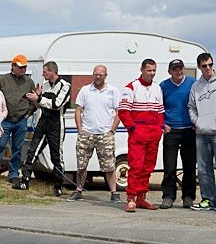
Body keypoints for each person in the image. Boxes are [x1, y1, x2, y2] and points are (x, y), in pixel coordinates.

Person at [66, 65, 122, 202]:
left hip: (105, 134)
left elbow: (119, 112)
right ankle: (79, 190)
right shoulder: (85, 90)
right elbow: (78, 109)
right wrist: (80, 129)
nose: (98, 77)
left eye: (101, 74)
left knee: (109, 166)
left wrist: (112, 130)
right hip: (87, 133)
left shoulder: (113, 91)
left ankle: (114, 193)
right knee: (81, 165)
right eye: (95, 74)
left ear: (106, 75)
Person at [16, 61, 71, 195]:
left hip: (56, 125)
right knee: (32, 151)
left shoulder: (65, 86)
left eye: (45, 71)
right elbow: (42, 105)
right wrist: (36, 99)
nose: (43, 74)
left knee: (56, 156)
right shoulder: (45, 85)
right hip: (43, 122)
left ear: (52, 71)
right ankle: (25, 180)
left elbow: (56, 104)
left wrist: (39, 98)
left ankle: (58, 185)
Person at [118, 58, 164, 212]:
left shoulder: (157, 88)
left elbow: (160, 112)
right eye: (149, 70)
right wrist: (133, 129)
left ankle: (142, 198)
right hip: (138, 133)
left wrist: (159, 128)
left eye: (154, 70)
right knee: (136, 166)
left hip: (153, 134)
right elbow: (123, 112)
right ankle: (131, 198)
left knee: (148, 167)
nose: (152, 73)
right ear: (142, 70)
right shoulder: (131, 87)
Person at [0, 54, 36, 186]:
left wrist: (29, 112)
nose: (23, 69)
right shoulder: (3, 79)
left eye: (25, 67)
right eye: (20, 67)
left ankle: (13, 174)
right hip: (5, 120)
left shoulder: (29, 82)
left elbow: (35, 99)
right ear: (13, 66)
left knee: (17, 148)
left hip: (21, 120)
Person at [159, 59, 196, 209]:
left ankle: (188, 196)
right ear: (170, 72)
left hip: (189, 130)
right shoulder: (163, 86)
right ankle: (168, 196)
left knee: (189, 166)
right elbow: (158, 107)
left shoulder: (193, 83)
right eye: (175, 69)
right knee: (169, 166)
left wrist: (197, 122)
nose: (178, 72)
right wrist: (163, 124)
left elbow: (199, 104)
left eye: (180, 68)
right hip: (171, 130)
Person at [188, 52, 216, 211]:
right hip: (201, 134)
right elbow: (191, 107)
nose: (208, 68)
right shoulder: (195, 86)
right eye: (204, 66)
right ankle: (208, 200)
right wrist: (197, 122)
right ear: (199, 67)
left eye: (210, 65)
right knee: (204, 170)